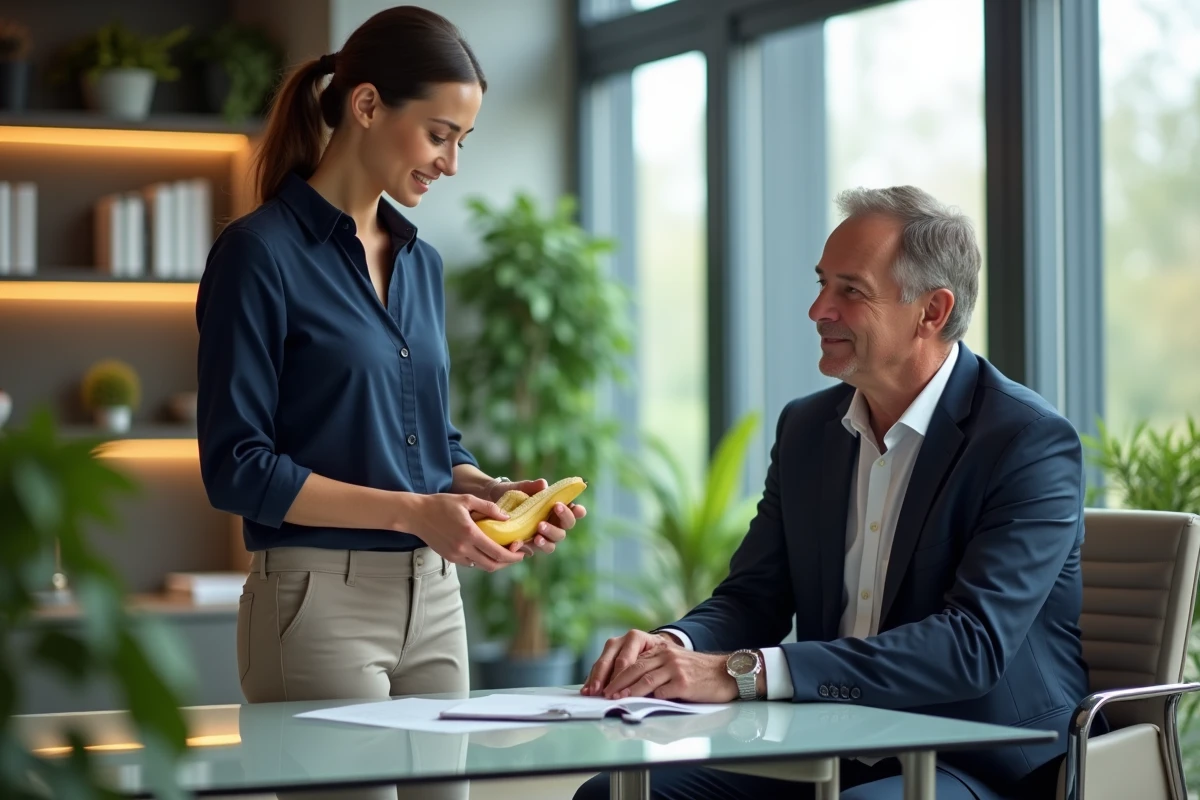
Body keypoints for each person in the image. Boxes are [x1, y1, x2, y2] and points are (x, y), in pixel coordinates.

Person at [576, 186, 1097, 800]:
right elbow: (754, 596)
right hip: (828, 740)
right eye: (823, 283)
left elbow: (969, 647)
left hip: (976, 751)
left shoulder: (1027, 441)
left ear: (931, 311)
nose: (818, 309)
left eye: (850, 290)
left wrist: (742, 673)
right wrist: (675, 647)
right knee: (615, 793)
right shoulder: (807, 429)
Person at [194, 7, 584, 795]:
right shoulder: (258, 256)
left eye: (462, 142)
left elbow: (427, 439)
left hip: (435, 600)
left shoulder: (421, 263)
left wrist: (482, 489)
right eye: (440, 134)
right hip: (316, 606)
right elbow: (238, 469)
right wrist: (412, 511)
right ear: (367, 105)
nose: (451, 163)